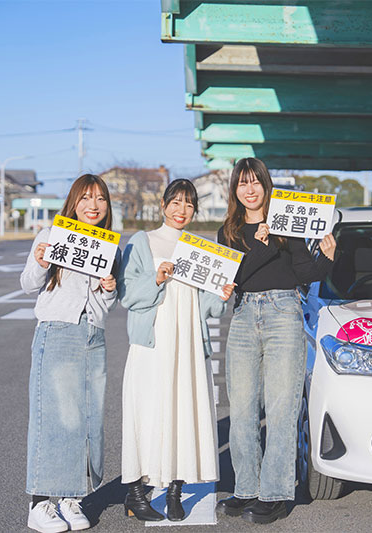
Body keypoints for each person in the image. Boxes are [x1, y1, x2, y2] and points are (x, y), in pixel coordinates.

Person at [215, 158, 337, 525]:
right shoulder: (229, 231)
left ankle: (276, 493)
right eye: (242, 184)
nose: (250, 190)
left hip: (284, 311)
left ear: (266, 186)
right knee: (242, 409)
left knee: (282, 408)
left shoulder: (287, 225)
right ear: (235, 190)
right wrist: (262, 247)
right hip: (243, 314)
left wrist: (327, 258)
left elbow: (304, 273)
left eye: (256, 182)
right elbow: (236, 275)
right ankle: (246, 488)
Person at [118, 179, 234, 522]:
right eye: (176, 203)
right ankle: (136, 493)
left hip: (187, 343)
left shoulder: (200, 246)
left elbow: (208, 305)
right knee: (145, 412)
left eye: (189, 204)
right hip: (152, 342)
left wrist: (222, 295)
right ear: (164, 205)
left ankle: (173, 491)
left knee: (183, 413)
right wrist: (156, 278)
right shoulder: (142, 241)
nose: (182, 210)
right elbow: (127, 295)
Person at [20, 174, 118, 533]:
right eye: (87, 198)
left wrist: (109, 287)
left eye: (101, 199)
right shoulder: (50, 236)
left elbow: (106, 302)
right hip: (58, 331)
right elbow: (28, 283)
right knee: (55, 415)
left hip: (94, 334)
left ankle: (71, 497)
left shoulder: (110, 247)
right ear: (73, 202)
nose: (94, 206)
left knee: (87, 418)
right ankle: (41, 502)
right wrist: (41, 261)